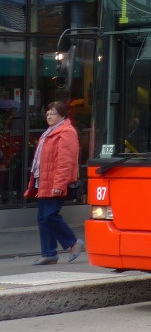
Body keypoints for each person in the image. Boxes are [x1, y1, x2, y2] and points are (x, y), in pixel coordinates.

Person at [25, 100, 84, 265]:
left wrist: (59, 185)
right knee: (43, 218)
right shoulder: (50, 132)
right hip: (44, 181)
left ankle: (72, 243)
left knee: (50, 215)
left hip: (55, 182)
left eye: (53, 114)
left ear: (62, 115)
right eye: (47, 114)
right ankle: (49, 254)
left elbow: (66, 162)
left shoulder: (66, 132)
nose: (49, 116)